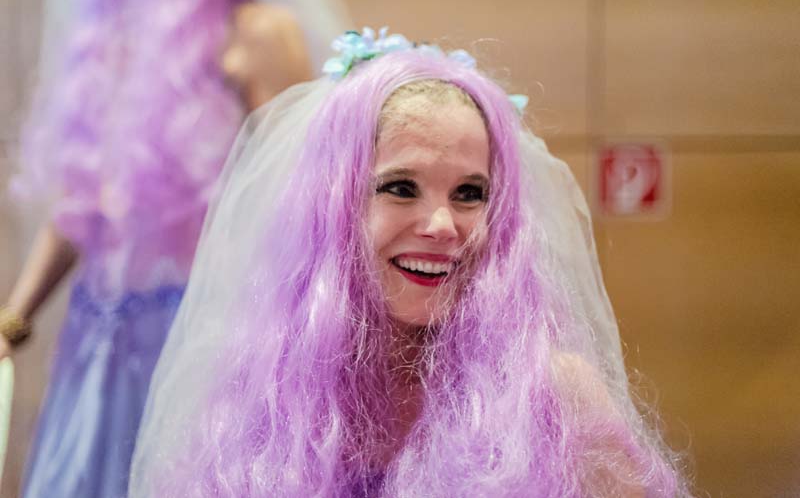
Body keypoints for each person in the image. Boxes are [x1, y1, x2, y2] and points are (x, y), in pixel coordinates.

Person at [130, 29, 687, 497]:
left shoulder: (555, 395)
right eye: (400, 187)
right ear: (333, 208)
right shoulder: (264, 388)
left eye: (470, 194)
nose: (442, 224)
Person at [0, 0, 349, 496]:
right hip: (97, 347)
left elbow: (295, 201)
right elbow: (79, 206)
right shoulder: (107, 40)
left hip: (198, 340)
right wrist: (14, 319)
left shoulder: (259, 31)